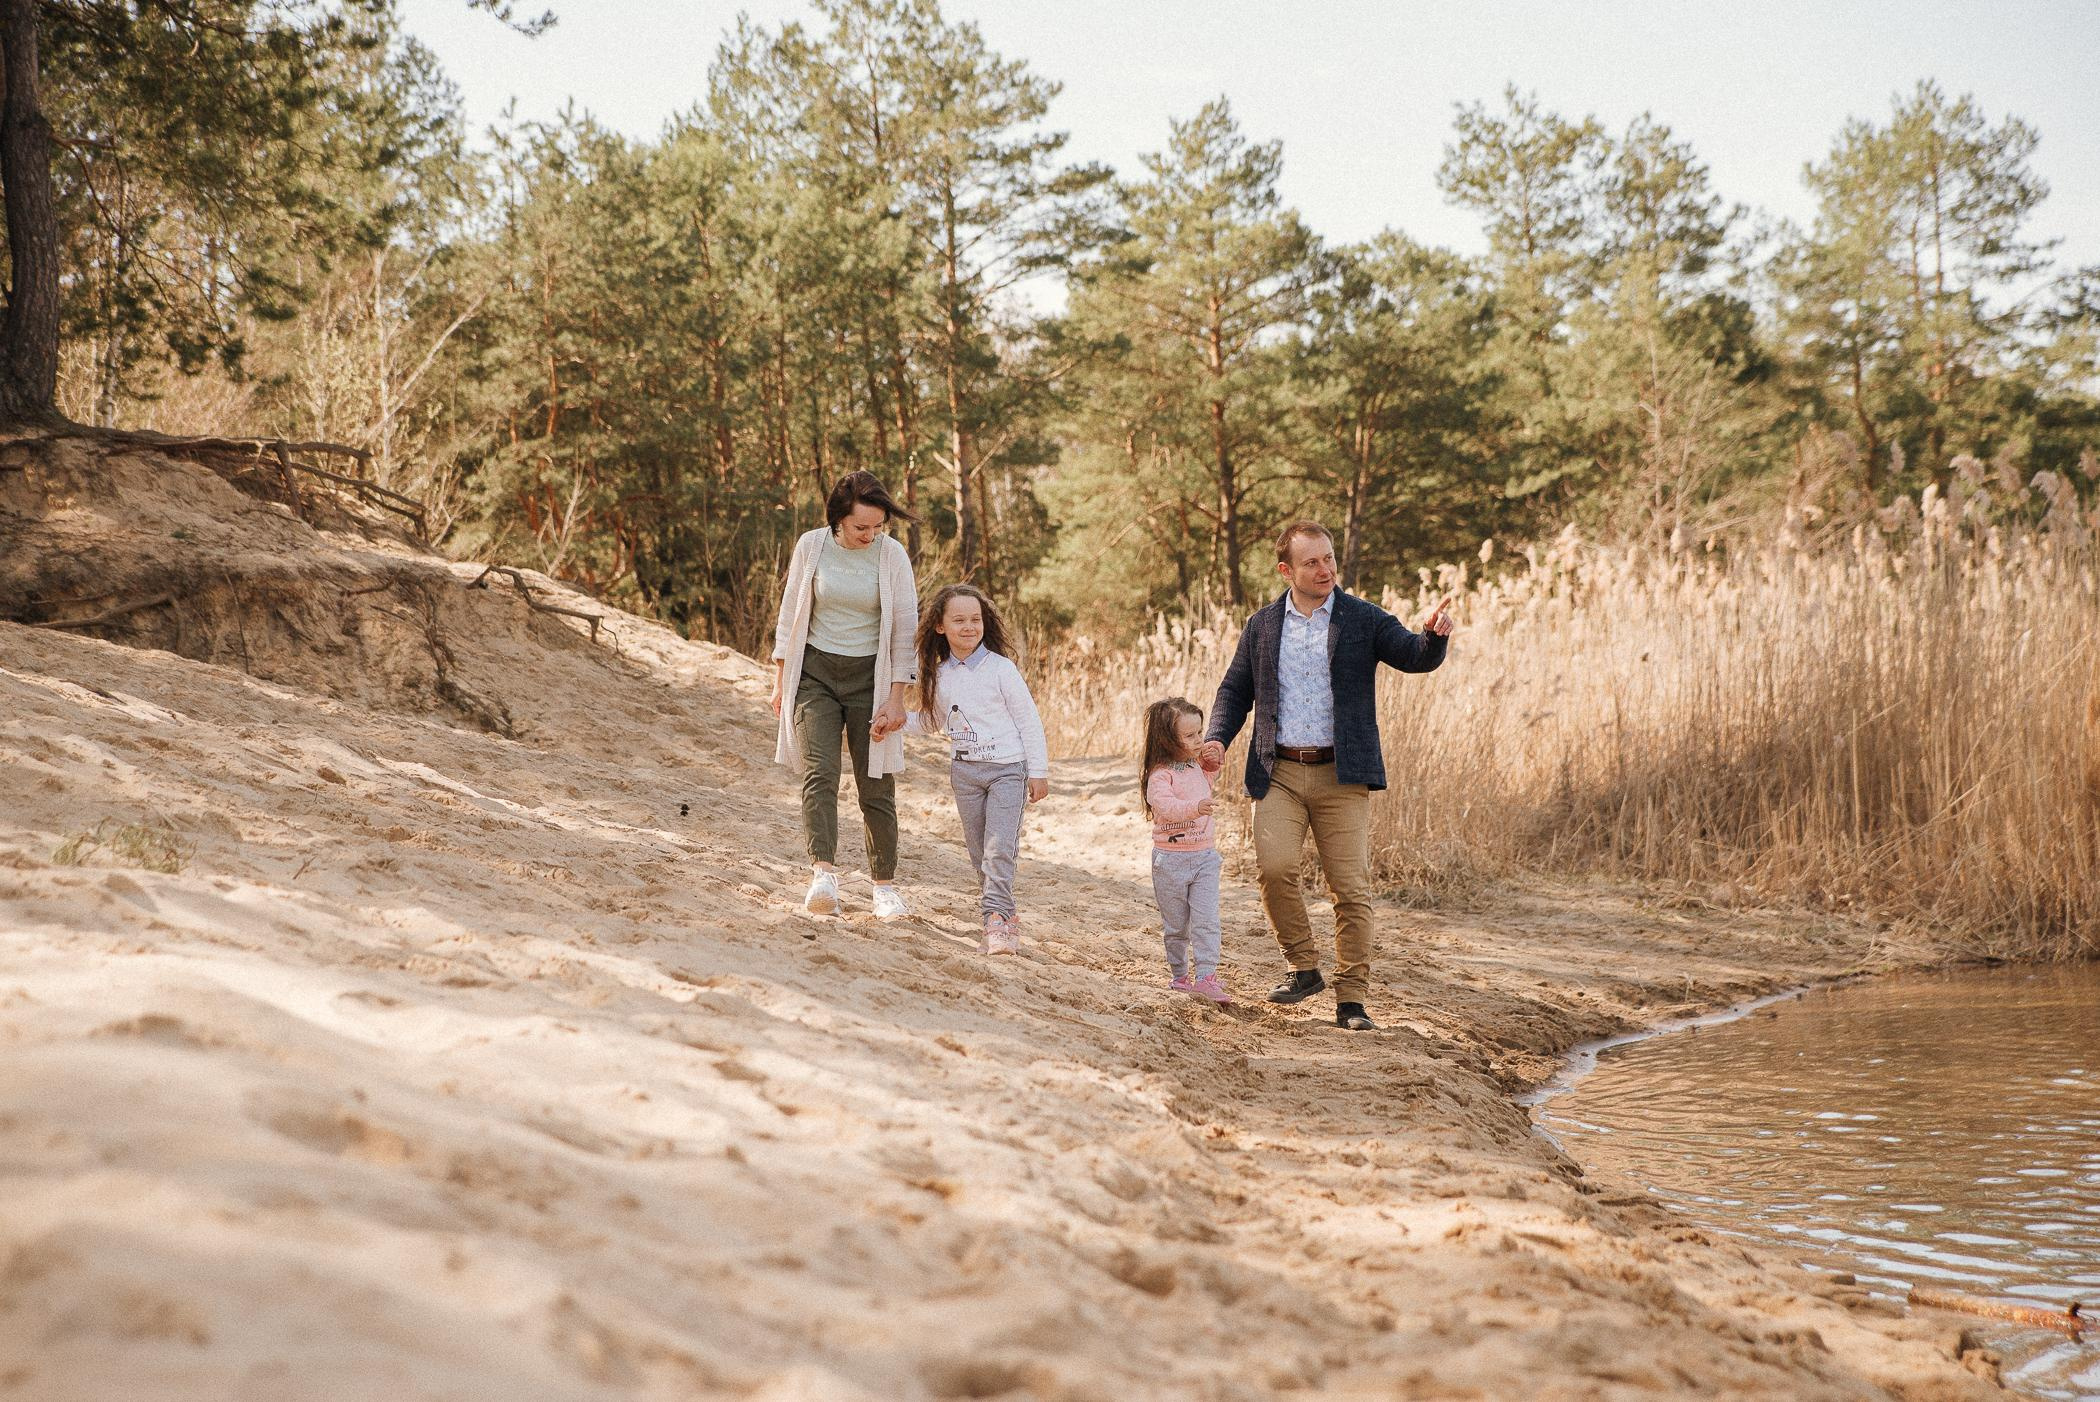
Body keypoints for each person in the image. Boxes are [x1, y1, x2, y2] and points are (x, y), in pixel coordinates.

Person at [1202, 520, 1454, 1031]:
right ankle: (1302, 968)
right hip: (1280, 771)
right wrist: (1216, 739)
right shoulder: (1264, 625)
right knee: (1273, 870)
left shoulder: (1361, 618)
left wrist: (1432, 638)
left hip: (1344, 774)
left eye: (1330, 558)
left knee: (1350, 887)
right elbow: (1235, 690)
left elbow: (1411, 654)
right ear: (1286, 570)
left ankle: (1352, 999)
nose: (1325, 569)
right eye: (1312, 562)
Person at [770, 471, 920, 920]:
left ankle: (884, 888)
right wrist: (780, 680)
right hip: (814, 676)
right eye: (861, 527)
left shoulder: (892, 556)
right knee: (820, 774)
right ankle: (823, 877)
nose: (870, 535)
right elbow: (790, 613)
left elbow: (904, 631)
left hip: (869, 680)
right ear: (837, 519)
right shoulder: (811, 546)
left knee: (876, 785)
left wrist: (896, 700)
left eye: (878, 526)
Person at [906, 583, 1049, 954]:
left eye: (975, 619)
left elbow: (1029, 721)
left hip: (1007, 770)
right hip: (965, 773)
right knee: (978, 854)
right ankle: (1004, 913)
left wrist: (1039, 770)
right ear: (940, 626)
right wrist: (892, 721)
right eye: (959, 620)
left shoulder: (1002, 669)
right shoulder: (939, 674)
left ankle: (995, 921)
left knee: (999, 848)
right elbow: (932, 721)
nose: (969, 626)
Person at [1142, 697, 1230, 1004]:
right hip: (1171, 861)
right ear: (1168, 740)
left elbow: (1211, 772)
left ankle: (1206, 977)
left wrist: (1214, 757)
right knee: (1177, 926)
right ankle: (1180, 975)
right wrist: (1196, 808)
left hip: (1205, 857)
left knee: (1206, 920)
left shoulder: (1197, 767)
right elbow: (1165, 806)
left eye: (1200, 732)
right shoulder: (1160, 775)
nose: (1198, 739)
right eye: (1190, 735)